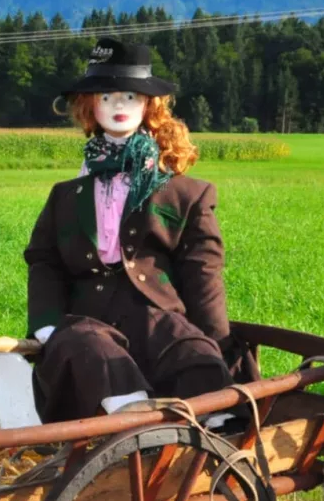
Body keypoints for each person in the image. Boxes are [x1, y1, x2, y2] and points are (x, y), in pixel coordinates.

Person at [24, 37, 236, 424]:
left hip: (155, 312)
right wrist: (46, 323)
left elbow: (202, 271)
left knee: (190, 354)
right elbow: (44, 260)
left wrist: (215, 342)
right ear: (89, 107)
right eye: (106, 97)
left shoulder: (184, 194)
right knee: (89, 351)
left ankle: (208, 421)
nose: (117, 106)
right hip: (85, 318)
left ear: (148, 105)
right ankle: (131, 422)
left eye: (129, 96)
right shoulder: (65, 196)